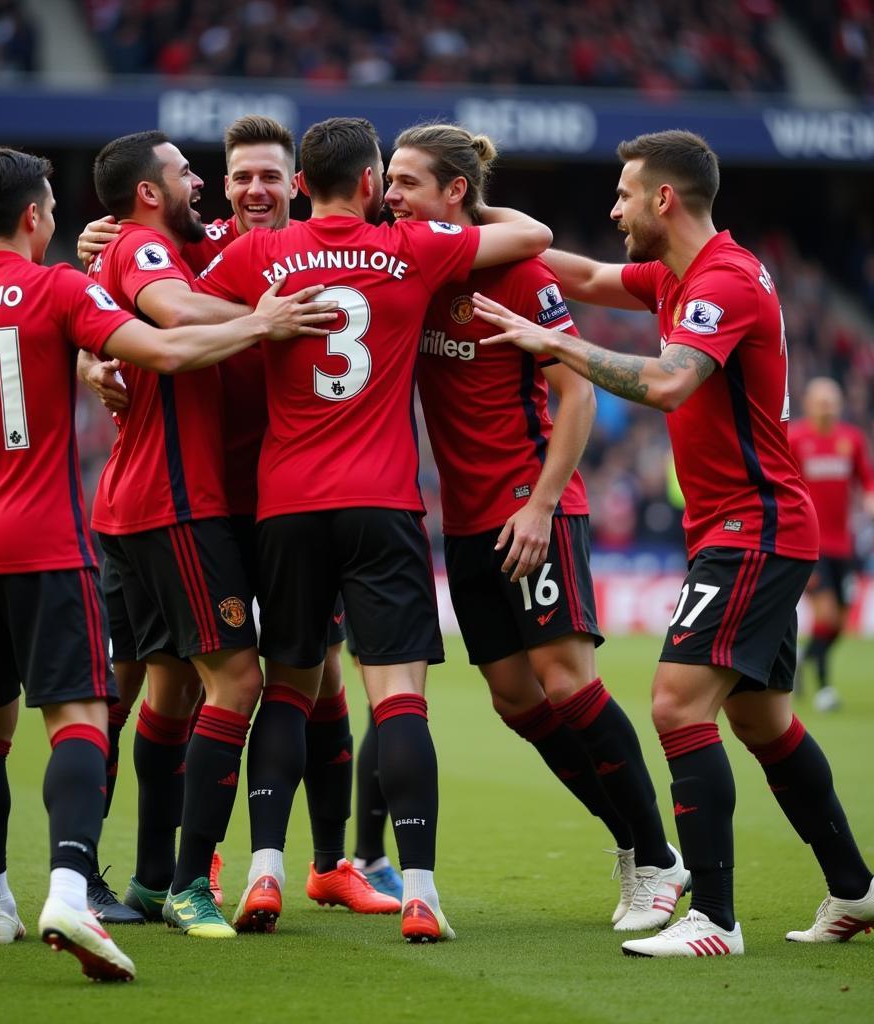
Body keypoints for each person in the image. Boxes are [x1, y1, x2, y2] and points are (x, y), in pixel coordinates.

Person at [0, 147, 329, 980]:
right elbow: (167, 346)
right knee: (88, 716)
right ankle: (90, 891)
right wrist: (263, 323)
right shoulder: (62, 288)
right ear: (36, 215)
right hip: (58, 539)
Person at [472, 129, 874, 956]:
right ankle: (855, 889)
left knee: (676, 703)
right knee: (763, 723)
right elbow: (575, 273)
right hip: (741, 528)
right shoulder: (677, 274)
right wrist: (465, 217)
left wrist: (558, 344)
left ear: (664, 199)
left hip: (753, 529)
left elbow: (665, 382)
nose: (613, 209)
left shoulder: (721, 283)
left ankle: (715, 919)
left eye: (623, 195)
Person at [194, 116, 552, 942]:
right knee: (398, 700)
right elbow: (534, 233)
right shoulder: (415, 249)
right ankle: (419, 889)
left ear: (297, 184)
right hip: (382, 506)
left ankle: (264, 876)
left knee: (286, 690)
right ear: (367, 182)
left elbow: (176, 308)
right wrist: (449, 213)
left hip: (284, 505)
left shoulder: (259, 255)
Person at [78, 115, 403, 910]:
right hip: (195, 501)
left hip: (292, 499)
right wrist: (93, 359)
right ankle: (178, 868)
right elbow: (112, 299)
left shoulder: (347, 243)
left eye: (269, 176)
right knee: (167, 685)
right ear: (221, 185)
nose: (254, 190)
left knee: (321, 675)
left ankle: (330, 864)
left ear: (296, 182)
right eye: (239, 177)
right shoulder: (192, 241)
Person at [385, 123, 687, 930]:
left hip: (531, 503)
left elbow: (578, 394)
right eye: (387, 179)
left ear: (455, 193)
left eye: (408, 181)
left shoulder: (517, 272)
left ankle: (656, 858)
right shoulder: (403, 269)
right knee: (515, 701)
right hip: (466, 519)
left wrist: (542, 503)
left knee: (566, 679)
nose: (390, 194)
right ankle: (629, 838)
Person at [789, 377, 874, 711]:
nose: (827, 407)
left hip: (844, 546)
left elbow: (864, 478)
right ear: (808, 403)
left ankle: (801, 658)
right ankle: (824, 689)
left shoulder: (850, 440)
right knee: (825, 614)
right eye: (821, 401)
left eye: (832, 402)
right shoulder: (795, 438)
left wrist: (869, 497)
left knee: (839, 622)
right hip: (810, 544)